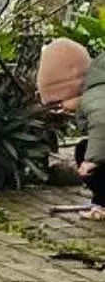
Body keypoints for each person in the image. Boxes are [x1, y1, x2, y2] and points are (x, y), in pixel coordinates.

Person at [37, 36, 105, 215]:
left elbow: (102, 122)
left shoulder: (95, 95)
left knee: (88, 155)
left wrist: (92, 160)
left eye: (59, 104)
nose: (62, 112)